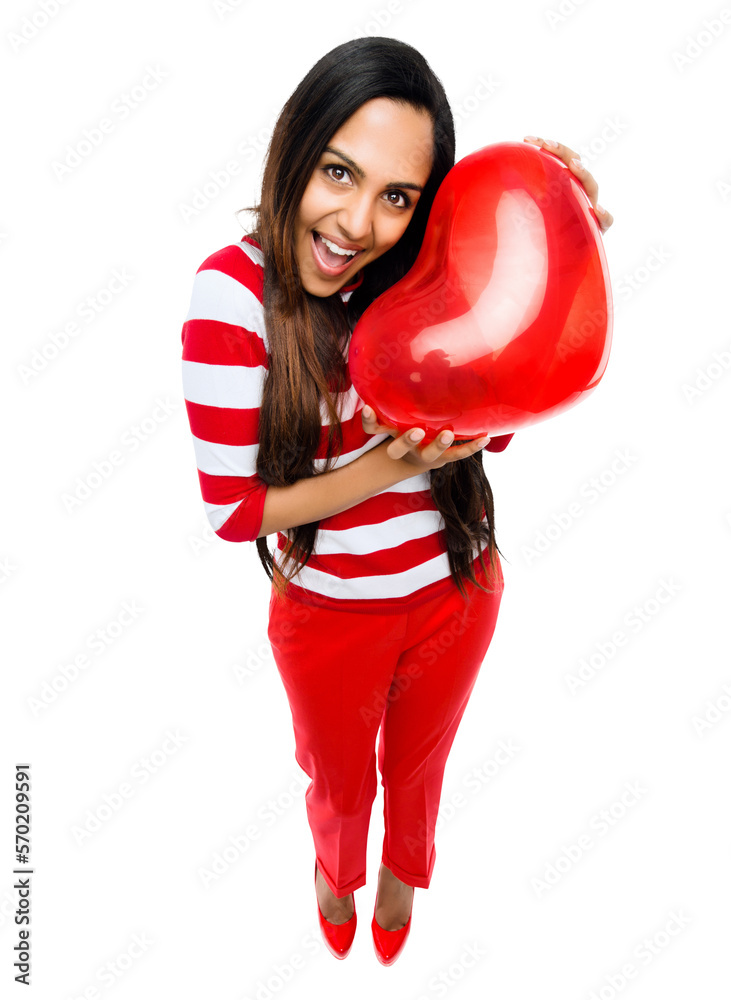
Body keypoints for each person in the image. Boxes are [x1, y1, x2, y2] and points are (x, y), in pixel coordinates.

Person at [180, 36, 613, 965]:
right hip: (328, 614)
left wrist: (542, 227)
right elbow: (233, 512)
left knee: (418, 770)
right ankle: (336, 872)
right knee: (338, 784)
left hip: (457, 590)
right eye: (338, 171)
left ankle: (401, 876)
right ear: (295, 147)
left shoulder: (418, 274)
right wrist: (381, 468)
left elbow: (489, 430)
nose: (356, 222)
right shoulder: (231, 296)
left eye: (398, 197)